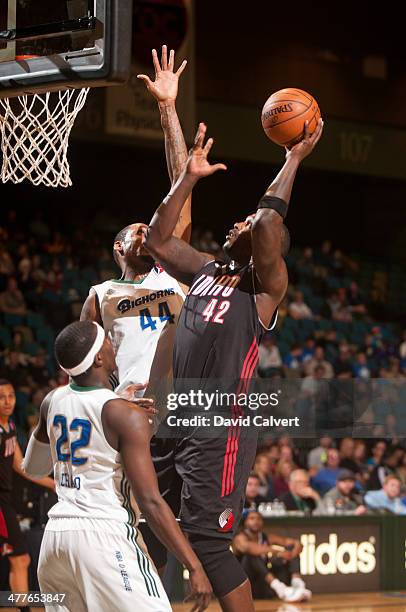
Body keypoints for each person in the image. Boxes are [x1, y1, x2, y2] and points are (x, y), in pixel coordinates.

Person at [143, 118, 323, 610]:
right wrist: (187, 179)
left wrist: (293, 158)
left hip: (220, 429)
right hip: (177, 417)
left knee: (208, 545)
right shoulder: (206, 269)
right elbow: (157, 243)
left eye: (243, 226)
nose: (236, 224)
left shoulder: (263, 290)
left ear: (265, 253)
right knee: (152, 529)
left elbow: (267, 222)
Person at [22, 321, 211, 612]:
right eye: (107, 342)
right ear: (99, 358)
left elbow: (33, 468)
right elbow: (150, 501)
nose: (113, 345)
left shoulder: (52, 401)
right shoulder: (124, 413)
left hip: (56, 539)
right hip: (104, 537)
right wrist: (193, 565)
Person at [81, 46, 191, 397]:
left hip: (182, 410)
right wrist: (109, 401)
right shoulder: (100, 296)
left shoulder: (173, 270)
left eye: (152, 228)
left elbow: (181, 184)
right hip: (130, 413)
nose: (149, 232)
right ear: (119, 247)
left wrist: (168, 109)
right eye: (140, 230)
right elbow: (82, 369)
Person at [0, 379, 55, 597]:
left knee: (20, 560)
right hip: (2, 506)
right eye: (1, 397)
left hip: (7, 503)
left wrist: (52, 482)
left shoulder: (10, 426)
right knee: (20, 559)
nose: (7, 402)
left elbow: (21, 466)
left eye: (11, 396)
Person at [233, 511, 310, 602]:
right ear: (245, 522)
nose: (256, 521)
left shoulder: (266, 537)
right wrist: (278, 552)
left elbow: (293, 543)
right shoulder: (239, 538)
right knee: (252, 555)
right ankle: (280, 588)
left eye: (258, 519)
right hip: (247, 587)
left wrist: (293, 550)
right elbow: (251, 548)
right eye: (252, 518)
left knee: (290, 548)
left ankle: (297, 585)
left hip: (264, 585)